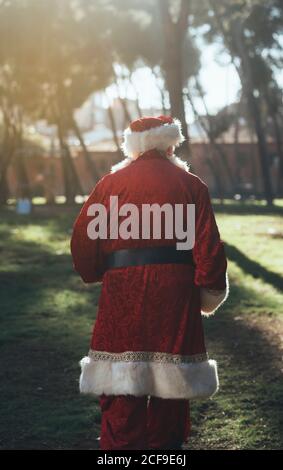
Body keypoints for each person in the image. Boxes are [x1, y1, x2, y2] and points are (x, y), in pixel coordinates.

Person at [70, 115, 228, 450]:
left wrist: (100, 272)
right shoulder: (191, 185)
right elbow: (210, 250)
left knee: (120, 396)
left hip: (122, 294)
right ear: (170, 144)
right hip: (175, 296)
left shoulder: (110, 185)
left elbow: (83, 242)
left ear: (133, 147)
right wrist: (208, 292)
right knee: (170, 399)